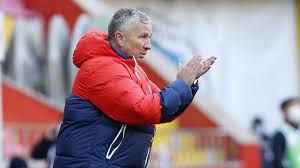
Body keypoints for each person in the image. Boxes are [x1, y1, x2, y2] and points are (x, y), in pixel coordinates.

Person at [54, 8, 216, 168]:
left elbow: (163, 110)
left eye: (149, 37)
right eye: (143, 37)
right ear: (120, 38)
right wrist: (180, 85)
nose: (148, 46)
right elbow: (144, 109)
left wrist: (188, 84)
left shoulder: (131, 68)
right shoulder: (101, 68)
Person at [272, 97, 300, 168]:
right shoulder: (280, 134)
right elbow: (277, 162)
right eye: (293, 107)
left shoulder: (297, 131)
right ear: (284, 112)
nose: (297, 110)